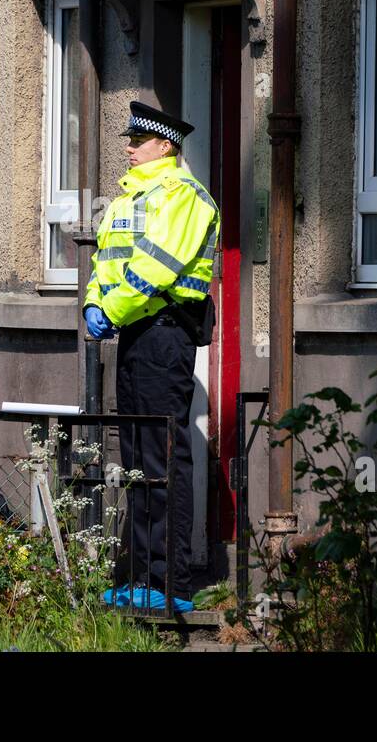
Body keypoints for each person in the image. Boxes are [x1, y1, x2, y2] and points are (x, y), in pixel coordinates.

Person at [83, 100, 220, 613]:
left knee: (165, 457)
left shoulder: (185, 195)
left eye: (137, 141)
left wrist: (111, 308)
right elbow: (106, 260)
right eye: (128, 140)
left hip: (165, 333)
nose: (128, 147)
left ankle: (172, 582)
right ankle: (138, 573)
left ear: (165, 146)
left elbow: (157, 265)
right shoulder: (125, 200)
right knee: (137, 458)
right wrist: (95, 300)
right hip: (134, 332)